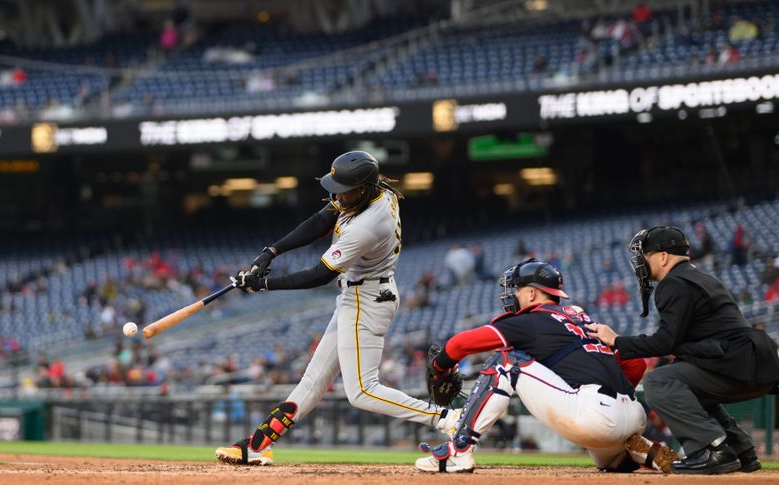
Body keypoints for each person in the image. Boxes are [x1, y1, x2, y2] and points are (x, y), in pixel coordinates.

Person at [215, 151, 459, 465]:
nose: (338, 195)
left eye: (345, 189)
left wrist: (262, 285)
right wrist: (271, 252)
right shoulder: (371, 192)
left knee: (362, 391)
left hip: (368, 299)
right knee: (313, 382)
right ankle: (258, 444)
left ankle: (446, 419)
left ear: (365, 188)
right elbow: (322, 219)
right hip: (358, 296)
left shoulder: (368, 224)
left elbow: (321, 274)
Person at [416, 258, 677, 474]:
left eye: (516, 289)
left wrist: (440, 368)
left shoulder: (531, 320)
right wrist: (616, 403)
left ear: (531, 292)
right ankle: (633, 450)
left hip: (596, 416)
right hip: (632, 415)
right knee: (609, 463)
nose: (512, 295)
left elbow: (460, 345)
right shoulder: (580, 318)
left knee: (506, 361)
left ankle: (458, 450)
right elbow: (635, 364)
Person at [587, 226, 779, 475]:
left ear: (663, 256)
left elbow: (665, 342)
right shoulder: (700, 277)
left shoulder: (674, 283)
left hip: (740, 363)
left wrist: (617, 341)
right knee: (682, 380)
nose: (641, 263)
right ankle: (740, 450)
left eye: (646, 255)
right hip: (753, 362)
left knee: (659, 381)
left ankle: (712, 448)